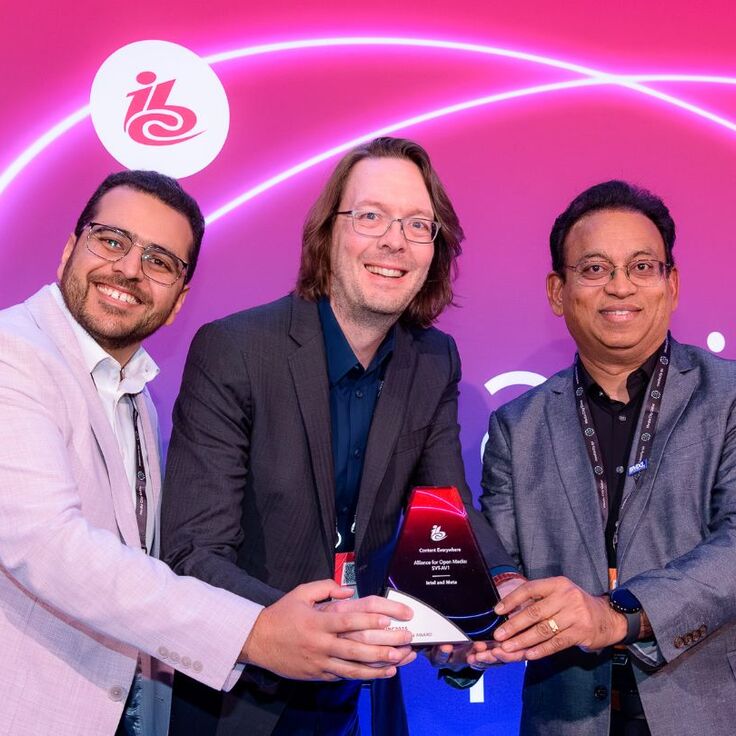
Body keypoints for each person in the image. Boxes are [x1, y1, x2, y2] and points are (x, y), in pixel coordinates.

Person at [0, 170, 413, 736]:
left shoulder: (133, 393)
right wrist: (256, 633)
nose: (129, 269)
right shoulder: (13, 355)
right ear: (69, 249)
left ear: (178, 300)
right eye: (112, 241)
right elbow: (50, 546)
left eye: (160, 261)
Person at [161, 136, 517, 735]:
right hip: (241, 692)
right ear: (328, 234)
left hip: (355, 692)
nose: (394, 241)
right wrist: (299, 626)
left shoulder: (433, 359)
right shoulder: (235, 350)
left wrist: (499, 589)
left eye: (417, 224)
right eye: (371, 216)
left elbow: (445, 508)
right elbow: (193, 553)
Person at [476, 180, 736, 735]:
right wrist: (468, 629)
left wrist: (617, 615)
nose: (620, 286)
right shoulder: (516, 428)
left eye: (642, 266)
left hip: (709, 711)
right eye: (594, 268)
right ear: (557, 291)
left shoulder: (729, 396)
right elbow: (499, 571)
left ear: (671, 284)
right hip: (565, 718)